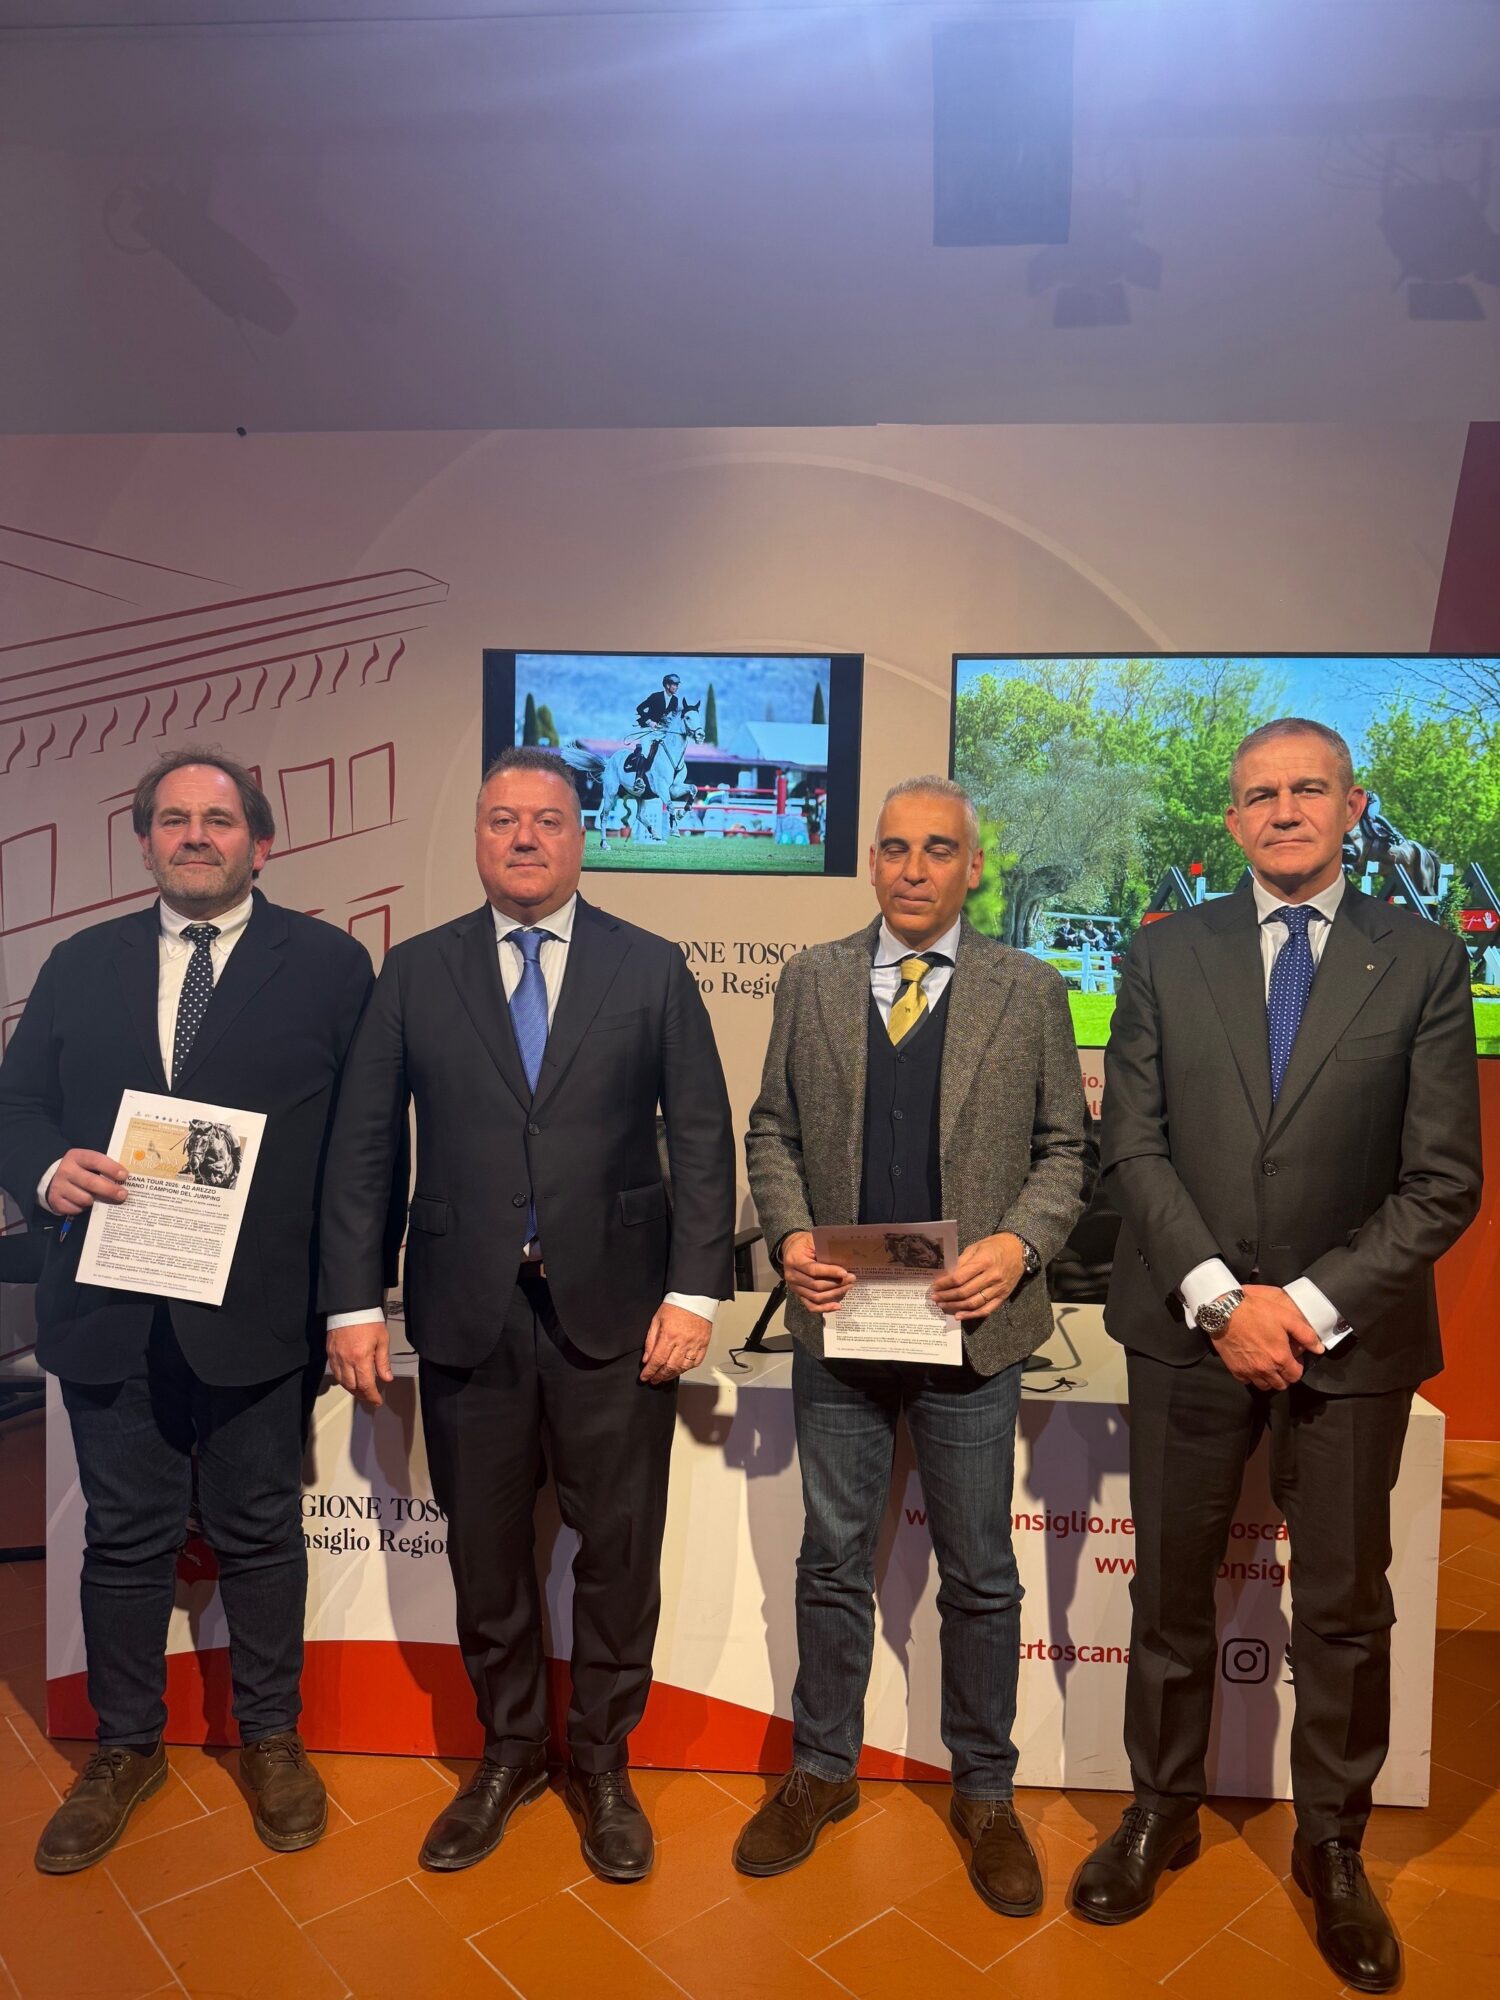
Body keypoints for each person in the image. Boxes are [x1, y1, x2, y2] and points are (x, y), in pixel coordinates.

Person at [1070, 719, 1483, 1993]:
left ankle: (1333, 1844)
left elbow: (1441, 1179)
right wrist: (1218, 1297)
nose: (1285, 809)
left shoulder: (1422, 958)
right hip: (1186, 1329)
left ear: (1353, 807)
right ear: (1233, 818)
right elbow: (1133, 1146)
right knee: (1170, 1590)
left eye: (1309, 788)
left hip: (1348, 1341)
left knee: (1347, 1605)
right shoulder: (1163, 952)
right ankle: (1162, 1808)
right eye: (1261, 793)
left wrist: (1297, 1304)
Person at [318, 746, 735, 1883]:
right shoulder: (415, 971)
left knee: (619, 1550)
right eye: (502, 819)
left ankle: (601, 1759)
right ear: (477, 836)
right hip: (468, 1312)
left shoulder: (651, 967)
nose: (524, 838)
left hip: (620, 1315)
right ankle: (507, 1751)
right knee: (487, 1550)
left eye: (546, 819)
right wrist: (353, 1299)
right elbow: (364, 1146)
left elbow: (703, 1137)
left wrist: (694, 1289)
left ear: (580, 836)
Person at [0, 748, 389, 1873]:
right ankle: (125, 1746)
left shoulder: (329, 965)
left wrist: (352, 1298)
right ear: (145, 842)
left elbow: (364, 1147)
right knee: (124, 1537)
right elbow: (16, 1103)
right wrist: (45, 1171)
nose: (195, 836)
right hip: (111, 1301)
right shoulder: (81, 962)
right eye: (173, 819)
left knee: (260, 1531)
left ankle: (271, 1737)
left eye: (218, 819)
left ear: (261, 841)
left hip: (259, 1310)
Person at [738, 775, 1093, 1913]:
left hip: (971, 1334)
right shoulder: (812, 978)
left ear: (973, 868)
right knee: (830, 1560)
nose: (913, 868)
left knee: (980, 1571)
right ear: (872, 861)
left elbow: (1067, 1150)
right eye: (894, 847)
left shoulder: (1028, 989)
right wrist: (790, 1234)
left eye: (938, 849)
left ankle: (984, 1789)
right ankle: (821, 1768)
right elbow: (772, 1128)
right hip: (841, 1327)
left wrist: (1018, 1246)